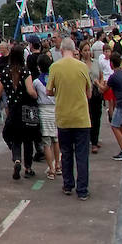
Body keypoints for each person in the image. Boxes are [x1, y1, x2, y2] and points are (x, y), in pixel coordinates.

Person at [49, 38, 93, 199]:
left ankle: (68, 185)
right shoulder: (82, 67)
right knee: (82, 155)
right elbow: (89, 93)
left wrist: (59, 91)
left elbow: (48, 91)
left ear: (61, 51)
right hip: (81, 117)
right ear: (75, 51)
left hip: (63, 117)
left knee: (66, 153)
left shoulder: (55, 67)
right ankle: (82, 190)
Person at [0, 43, 40, 180]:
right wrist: (36, 95)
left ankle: (17, 159)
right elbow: (30, 90)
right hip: (26, 108)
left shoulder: (5, 71)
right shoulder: (25, 71)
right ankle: (28, 167)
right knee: (28, 139)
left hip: (13, 109)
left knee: (15, 138)